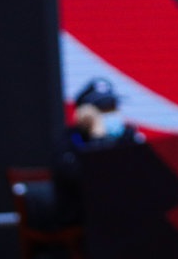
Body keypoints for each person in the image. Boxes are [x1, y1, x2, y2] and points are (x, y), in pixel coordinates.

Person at [52, 78, 145, 227]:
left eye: (112, 107)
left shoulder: (128, 138)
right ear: (83, 114)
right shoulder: (69, 141)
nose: (110, 114)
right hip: (83, 223)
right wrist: (98, 136)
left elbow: (143, 177)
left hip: (127, 219)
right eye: (103, 109)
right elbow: (90, 180)